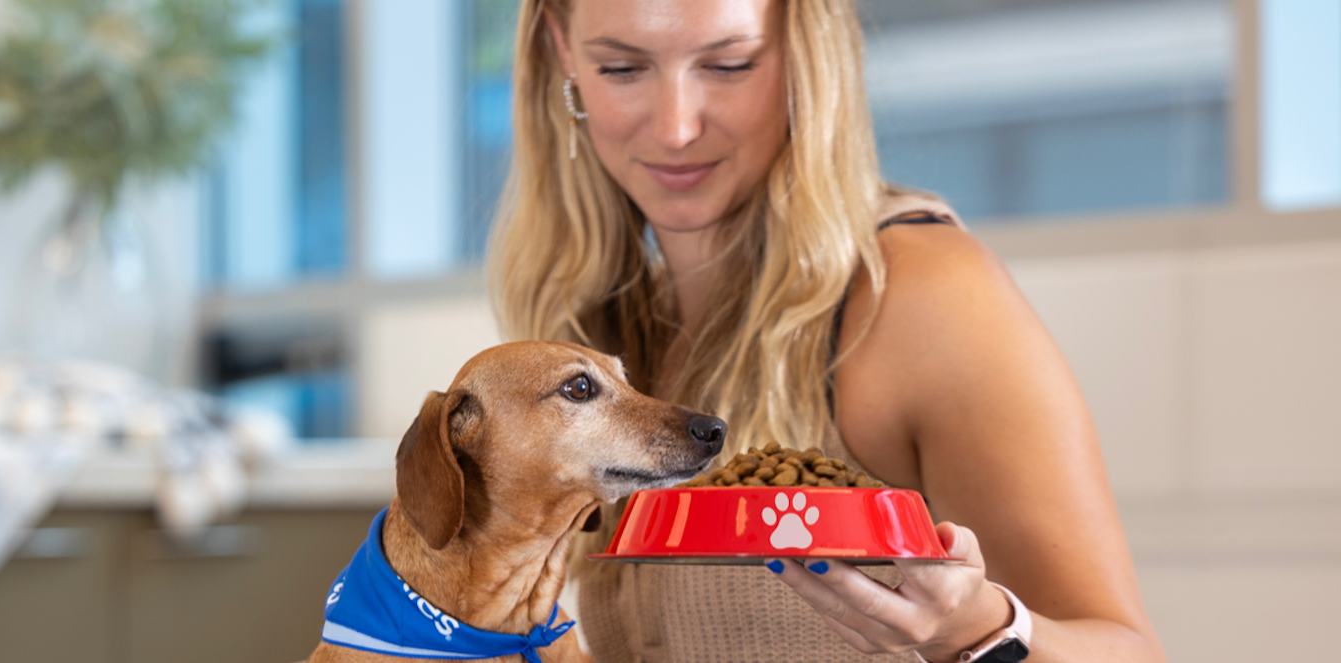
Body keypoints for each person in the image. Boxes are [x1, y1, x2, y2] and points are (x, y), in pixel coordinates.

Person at [486, 0, 1166, 661]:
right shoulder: (613, 336)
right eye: (622, 69)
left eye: (729, 64)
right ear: (563, 51)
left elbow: (1131, 653)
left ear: (805, 58)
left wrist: (976, 629)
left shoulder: (918, 292)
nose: (675, 127)